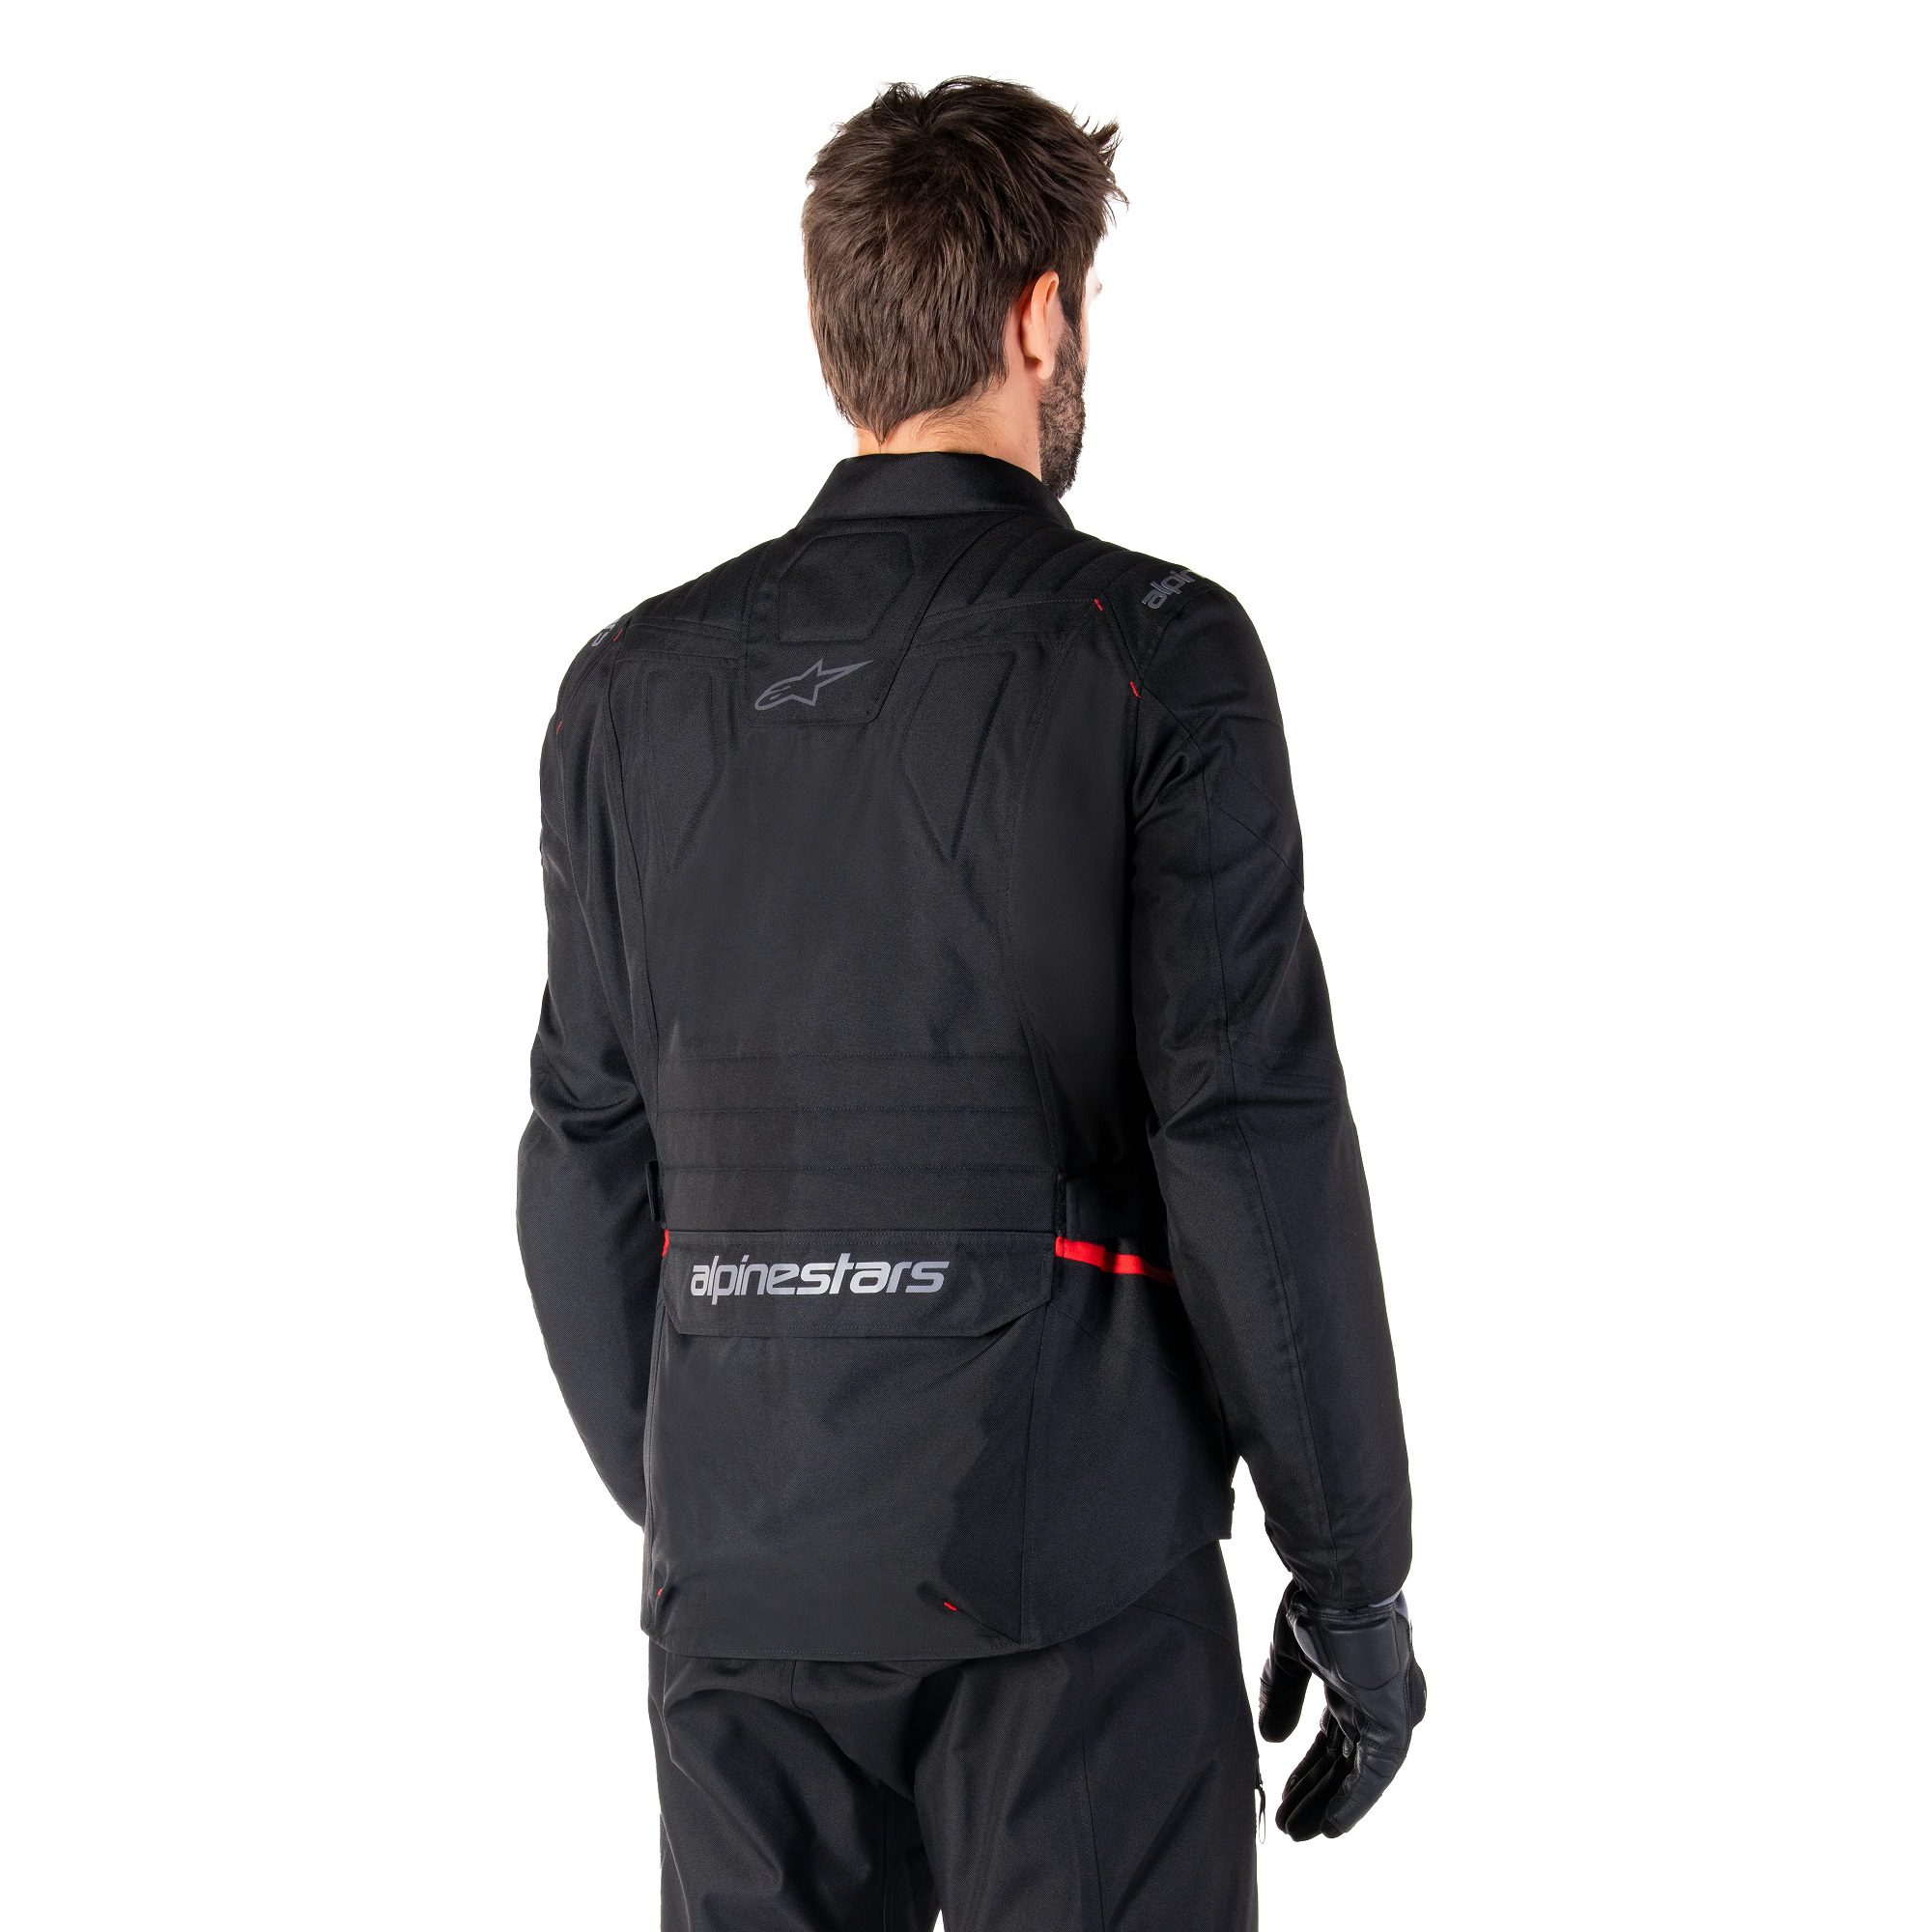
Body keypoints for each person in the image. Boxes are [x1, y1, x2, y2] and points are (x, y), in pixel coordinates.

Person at [518, 75, 1424, 1932]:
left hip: (742, 1604)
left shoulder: (630, 690)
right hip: (1073, 1591)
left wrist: (729, 1499)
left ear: (835, 338)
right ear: (1038, 318)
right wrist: (1354, 1575)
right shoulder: (1155, 653)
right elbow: (1248, 1136)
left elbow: (581, 1157)